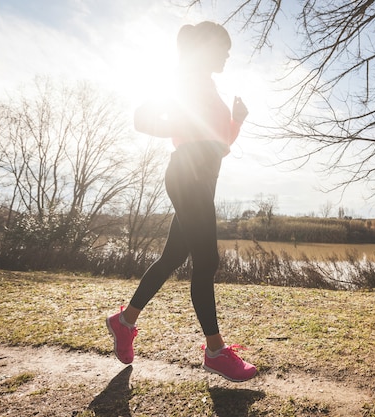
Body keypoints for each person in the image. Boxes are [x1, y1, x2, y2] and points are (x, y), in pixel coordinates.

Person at [106, 21, 257, 383]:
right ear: (206, 47)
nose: (227, 54)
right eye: (224, 47)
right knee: (207, 260)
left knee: (173, 257)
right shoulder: (186, 78)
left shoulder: (207, 86)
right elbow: (142, 119)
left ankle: (124, 321)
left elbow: (218, 142)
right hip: (187, 174)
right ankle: (216, 351)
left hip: (203, 178)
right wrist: (183, 125)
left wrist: (236, 122)